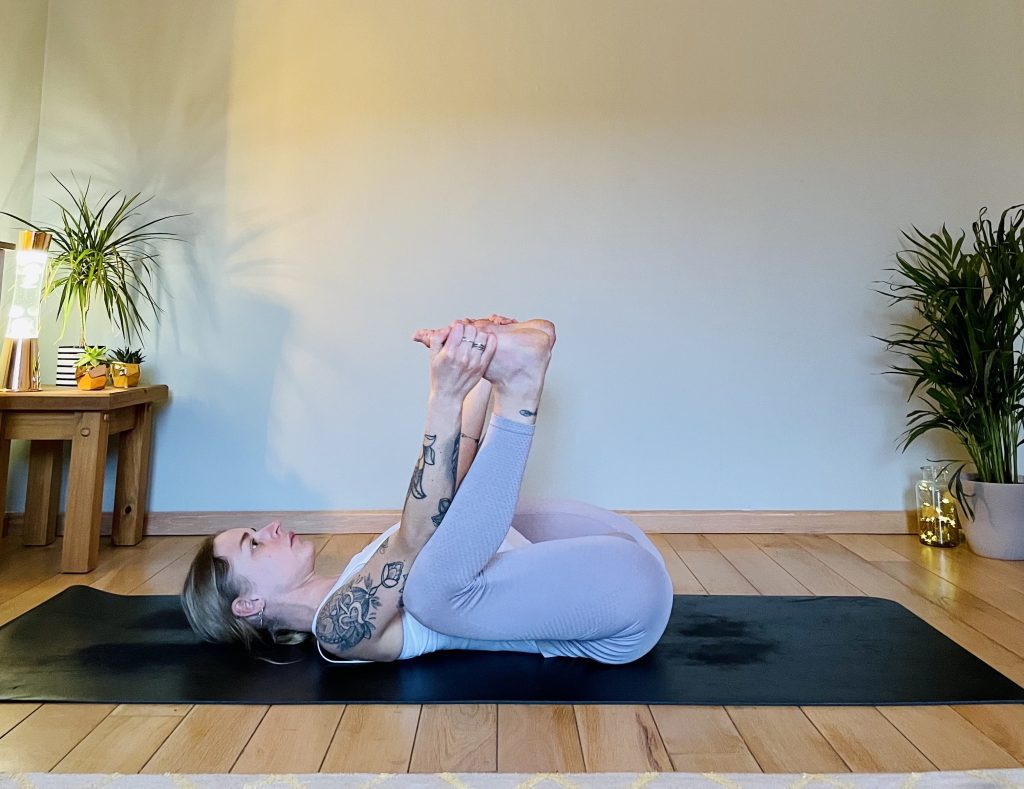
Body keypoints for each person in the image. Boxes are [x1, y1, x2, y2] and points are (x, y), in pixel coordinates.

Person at [181, 315, 673, 665]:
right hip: (621, 608)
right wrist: (444, 397)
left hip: (618, 560)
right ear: (247, 605)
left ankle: (511, 378)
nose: (269, 527)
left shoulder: (360, 569)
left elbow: (451, 495)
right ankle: (521, 388)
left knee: (449, 523)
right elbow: (414, 541)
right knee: (426, 588)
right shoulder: (338, 630)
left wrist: (479, 365)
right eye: (253, 543)